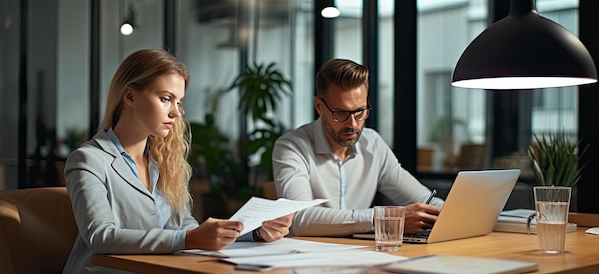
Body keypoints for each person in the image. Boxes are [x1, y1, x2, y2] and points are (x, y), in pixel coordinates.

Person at [62, 49, 292, 274]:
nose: (176, 112)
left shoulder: (163, 159)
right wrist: (188, 238)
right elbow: (100, 237)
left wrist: (253, 232)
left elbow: (186, 228)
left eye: (178, 101)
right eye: (165, 99)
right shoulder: (88, 159)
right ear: (130, 96)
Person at [272, 58, 443, 237]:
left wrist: (455, 215)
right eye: (341, 113)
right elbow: (300, 219)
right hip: (307, 257)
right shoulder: (291, 147)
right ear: (319, 106)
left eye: (360, 111)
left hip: (361, 254)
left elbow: (426, 202)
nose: (353, 124)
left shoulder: (373, 145)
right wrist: (387, 219)